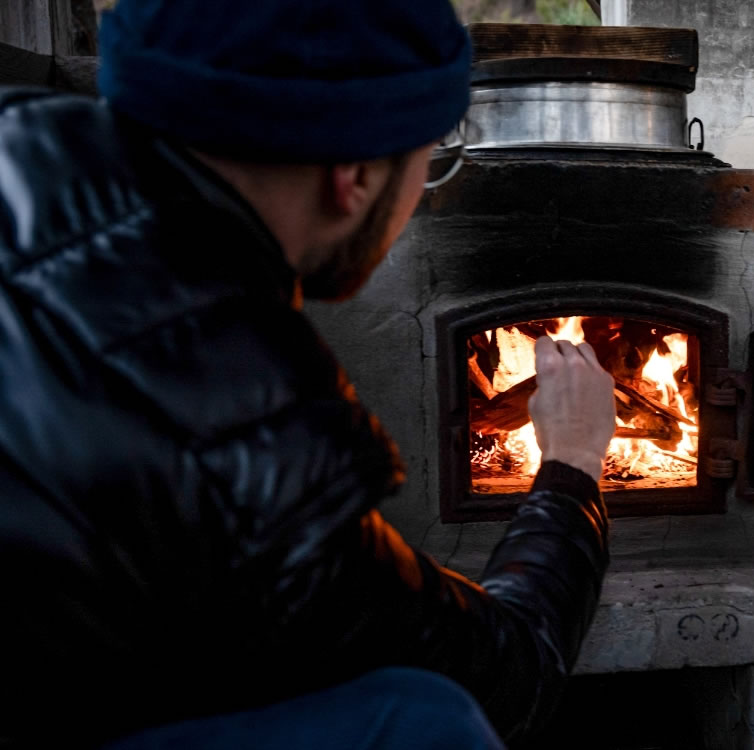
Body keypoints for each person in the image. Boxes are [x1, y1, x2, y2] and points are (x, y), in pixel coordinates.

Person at [0, 0, 617, 747]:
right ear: (354, 175)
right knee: (430, 720)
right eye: (431, 159)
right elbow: (507, 676)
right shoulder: (243, 436)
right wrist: (573, 465)